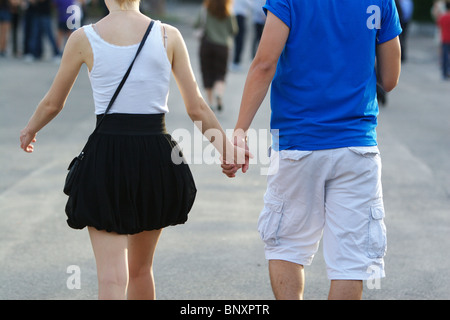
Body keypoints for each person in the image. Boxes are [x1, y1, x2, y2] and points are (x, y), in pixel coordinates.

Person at [20, 0, 249, 300]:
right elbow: (197, 108)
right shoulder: (168, 36)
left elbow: (54, 102)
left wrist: (30, 130)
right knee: (141, 270)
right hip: (156, 156)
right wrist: (226, 150)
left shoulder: (83, 38)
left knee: (112, 279)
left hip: (107, 157)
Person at [222, 0, 402, 299]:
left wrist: (239, 132)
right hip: (357, 146)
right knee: (350, 263)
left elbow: (265, 63)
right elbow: (390, 79)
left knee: (287, 247)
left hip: (298, 144)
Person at [195, 0, 238, 111]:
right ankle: (219, 94)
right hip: (223, 47)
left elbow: (196, 24)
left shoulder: (205, 10)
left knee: (207, 74)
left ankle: (210, 102)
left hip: (206, 45)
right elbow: (234, 30)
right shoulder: (228, 12)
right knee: (220, 74)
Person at [230, 0, 250, 71]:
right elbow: (249, 4)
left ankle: (235, 61)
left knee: (237, 40)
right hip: (240, 17)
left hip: (235, 16)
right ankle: (236, 62)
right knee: (239, 40)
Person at [438, 1, 450, 79]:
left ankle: (444, 73)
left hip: (444, 38)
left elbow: (439, 25)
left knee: (444, 56)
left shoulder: (442, 17)